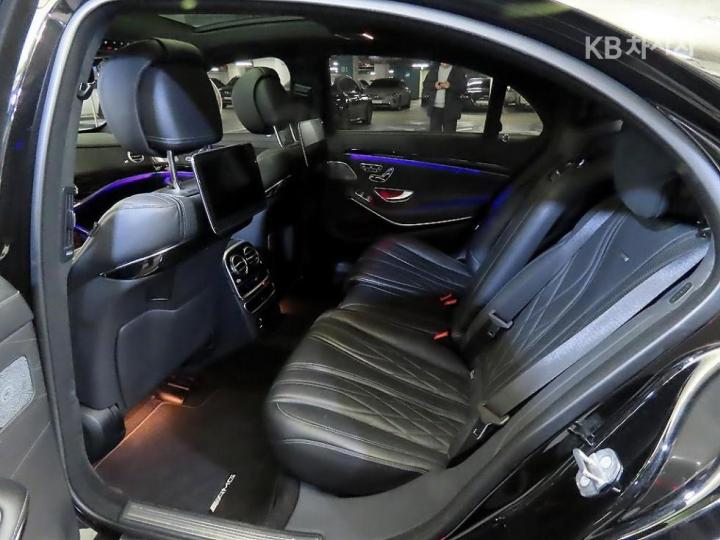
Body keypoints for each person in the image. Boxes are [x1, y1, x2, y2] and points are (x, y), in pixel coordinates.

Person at [422, 62, 467, 132]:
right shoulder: (434, 70)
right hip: (435, 110)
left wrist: (450, 86)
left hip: (451, 110)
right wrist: (434, 85)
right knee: (434, 135)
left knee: (449, 135)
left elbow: (463, 88)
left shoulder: (458, 71)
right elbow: (426, 84)